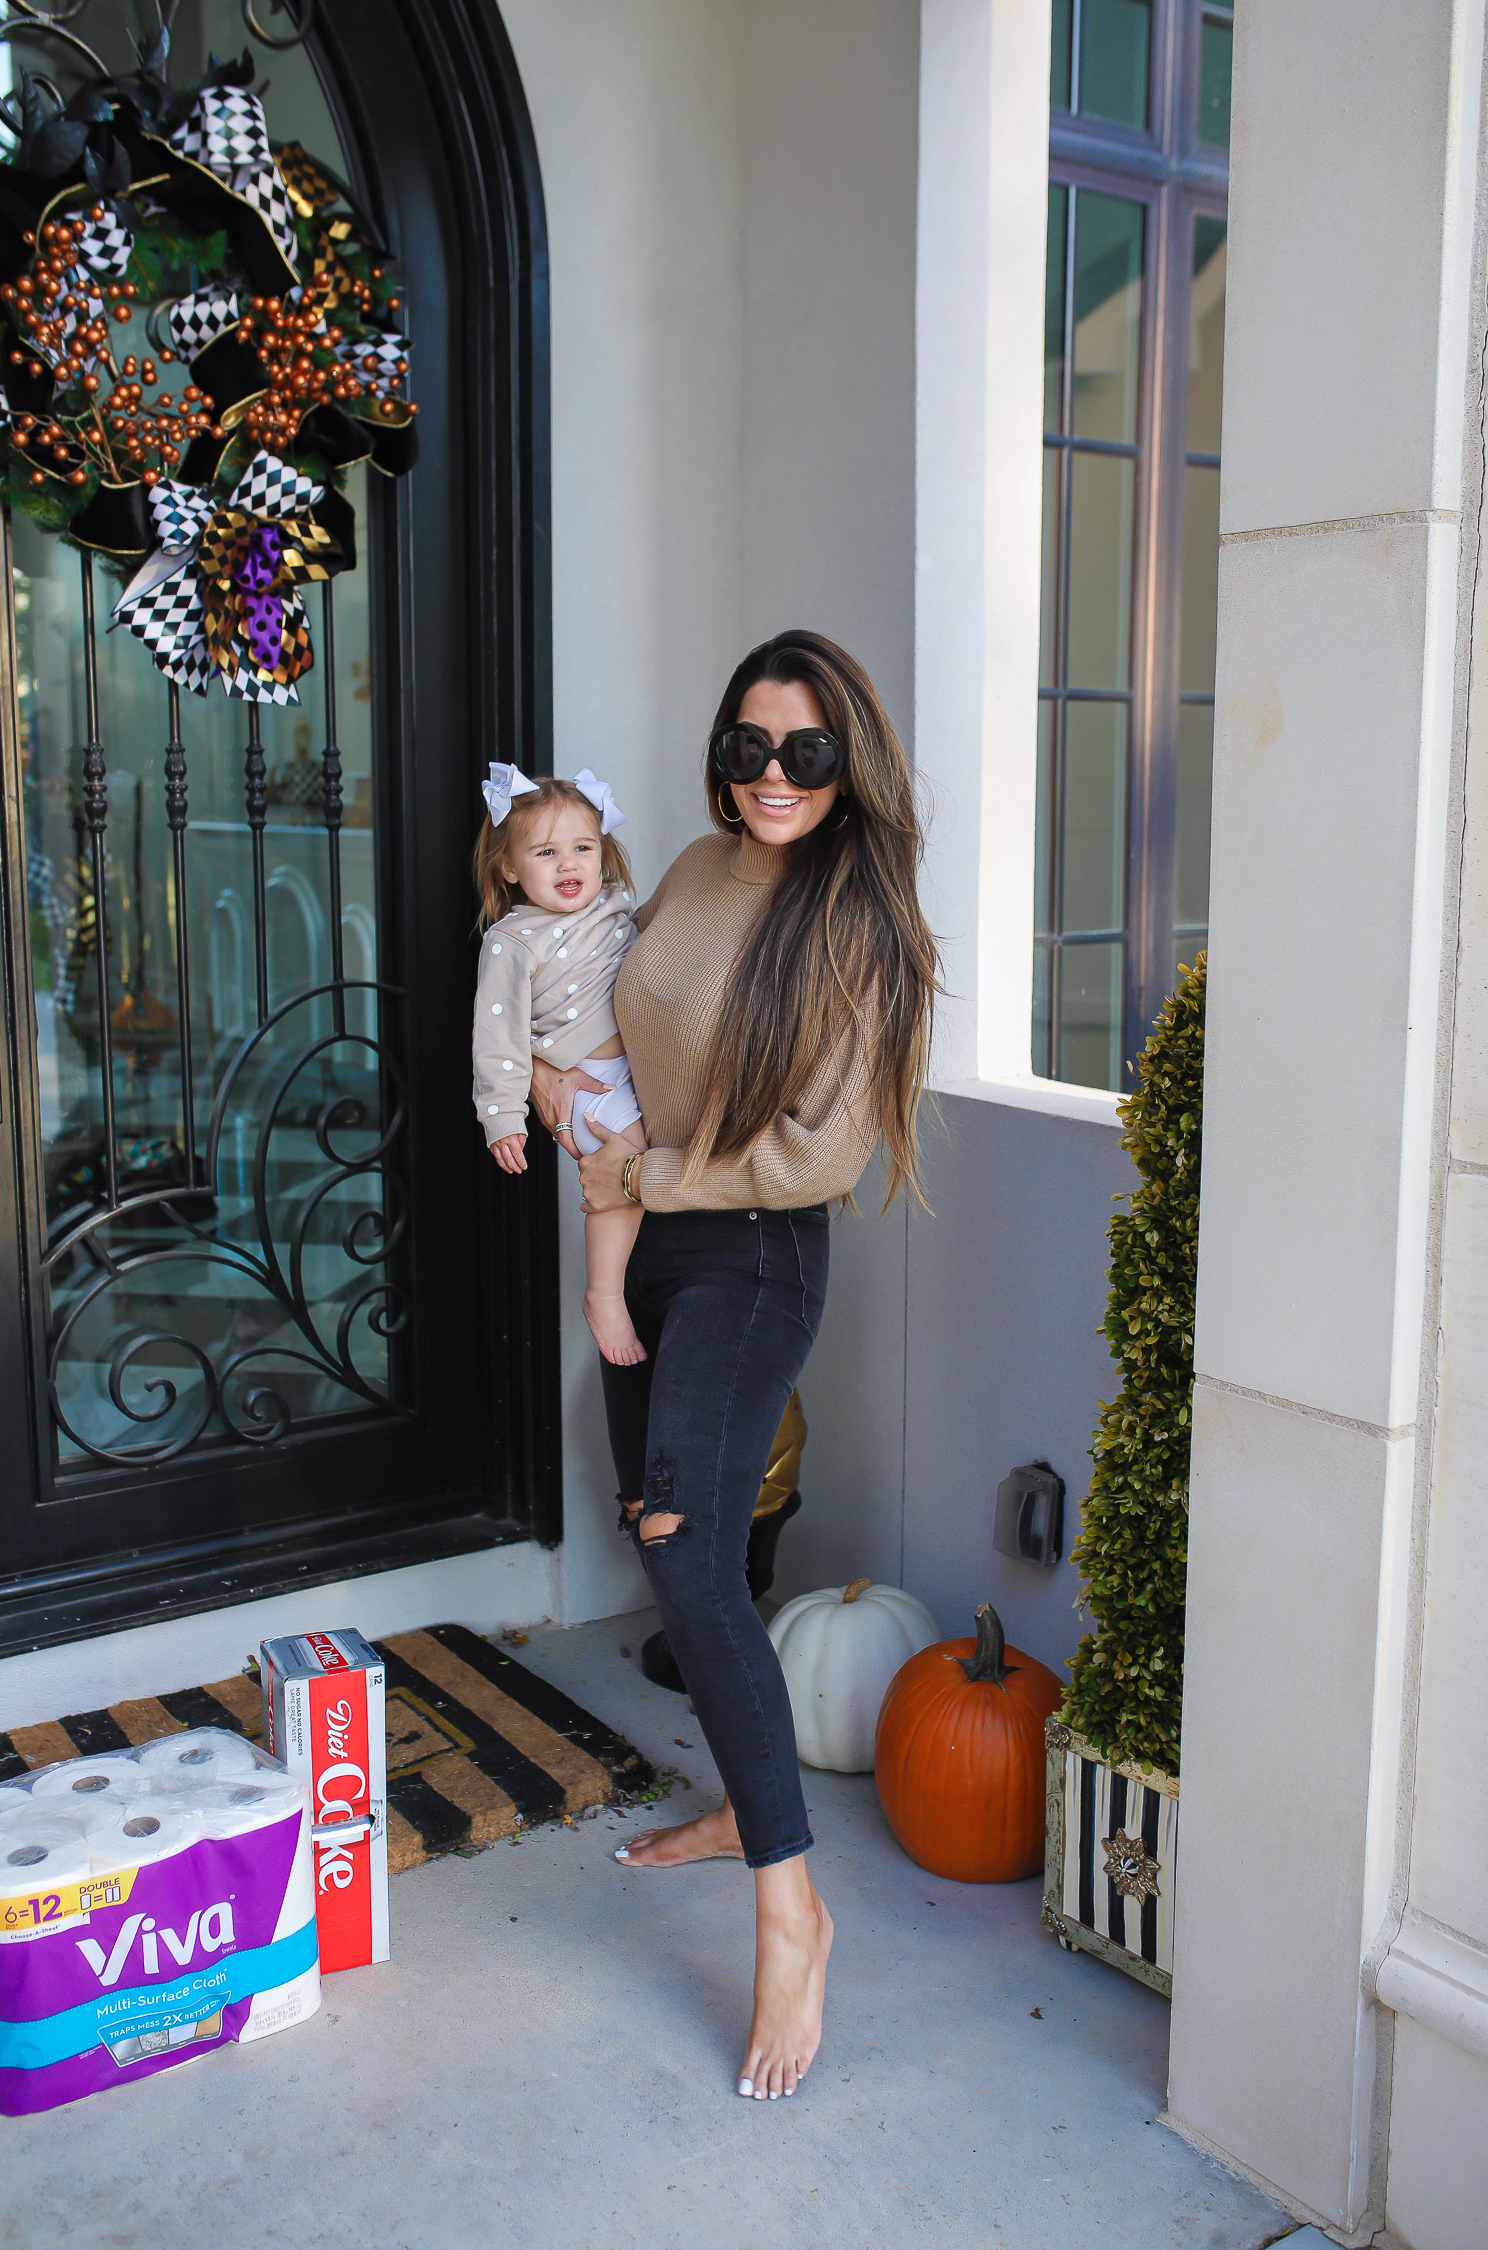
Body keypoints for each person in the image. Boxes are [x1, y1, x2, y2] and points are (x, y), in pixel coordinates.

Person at [530, 630, 938, 2101]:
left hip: (755, 1251)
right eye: (752, 747)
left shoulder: (861, 924)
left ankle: (791, 1904)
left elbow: (813, 1150)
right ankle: (741, 1797)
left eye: (807, 753)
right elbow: (615, 1019)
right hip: (655, 1234)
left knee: (690, 1544)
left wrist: (645, 1171)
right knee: (672, 1553)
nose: (774, 776)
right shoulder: (695, 875)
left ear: (850, 765)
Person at [471, 766, 649, 1365]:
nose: (568, 864)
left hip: (641, 1068)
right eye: (547, 852)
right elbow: (495, 1036)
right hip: (591, 1082)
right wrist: (503, 1117)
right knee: (627, 1160)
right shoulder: (514, 940)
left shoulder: (615, 905)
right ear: (510, 868)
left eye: (582, 848)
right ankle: (605, 1294)